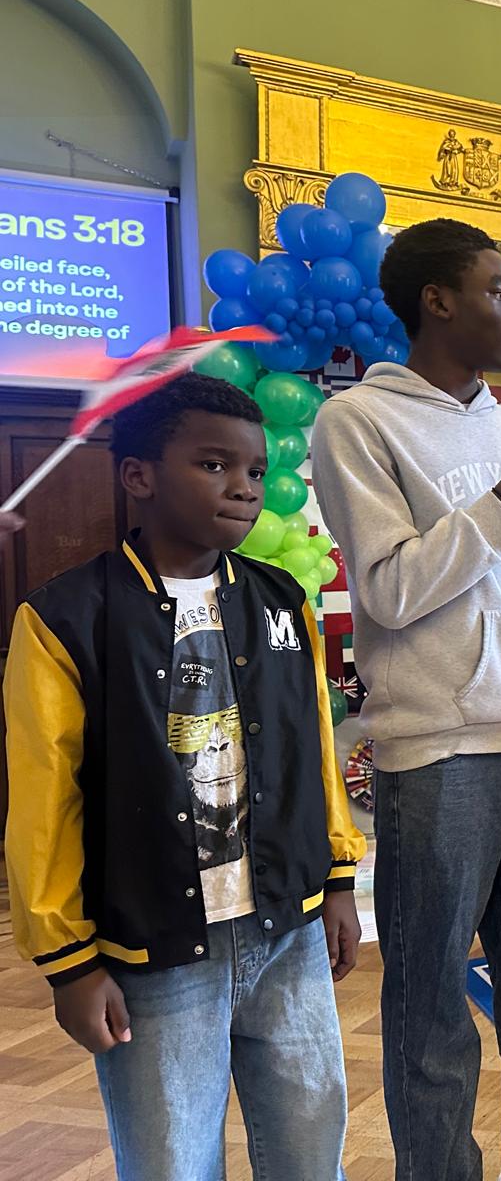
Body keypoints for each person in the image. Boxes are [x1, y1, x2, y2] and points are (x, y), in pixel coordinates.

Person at [5, 374, 366, 1177]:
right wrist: (69, 961)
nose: (242, 488)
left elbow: (314, 752)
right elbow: (43, 801)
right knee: (172, 1160)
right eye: (212, 466)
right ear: (138, 475)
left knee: (311, 1145)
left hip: (287, 928)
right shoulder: (66, 617)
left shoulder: (280, 599)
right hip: (152, 945)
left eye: (254, 471)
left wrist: (337, 875)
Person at [311, 217, 501, 1181]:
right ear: (436, 301)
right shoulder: (358, 421)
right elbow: (389, 591)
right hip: (437, 753)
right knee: (432, 996)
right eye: (498, 291)